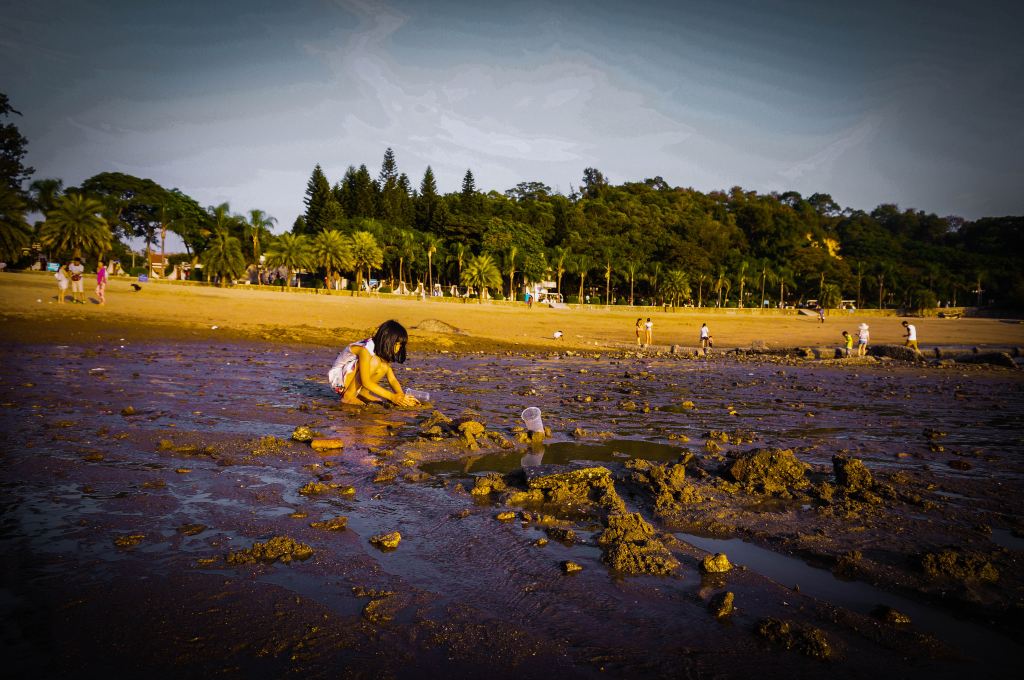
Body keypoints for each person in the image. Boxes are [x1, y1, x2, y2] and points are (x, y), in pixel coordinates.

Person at [328, 320, 419, 407]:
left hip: (348, 375)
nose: (399, 348)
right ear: (388, 342)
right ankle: (348, 396)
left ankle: (363, 393)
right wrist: (392, 397)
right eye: (398, 344)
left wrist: (401, 397)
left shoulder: (379, 349)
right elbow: (366, 381)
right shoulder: (365, 350)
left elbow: (392, 380)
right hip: (338, 379)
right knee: (375, 362)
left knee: (384, 367)